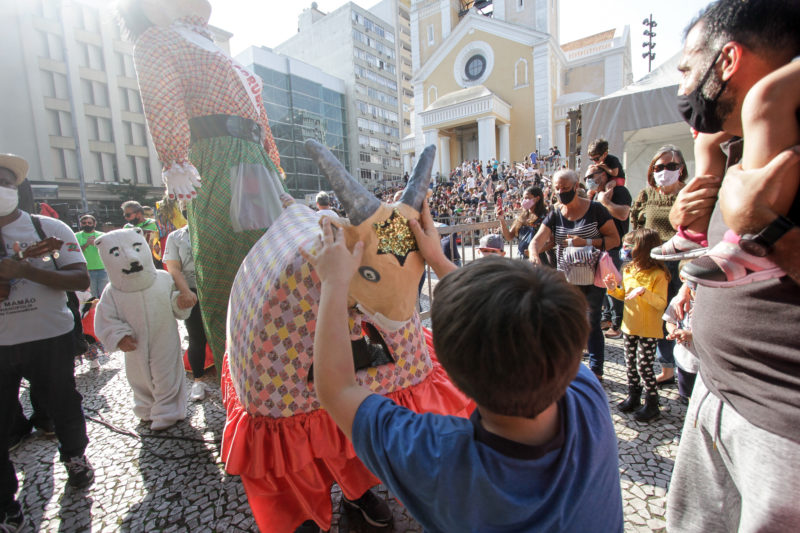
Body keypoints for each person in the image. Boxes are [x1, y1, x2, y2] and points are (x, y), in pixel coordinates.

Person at [303, 213, 624, 532]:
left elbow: (336, 389)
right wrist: (439, 259)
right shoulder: (585, 390)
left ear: (452, 376)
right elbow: (505, 324)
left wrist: (334, 282)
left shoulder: (439, 459)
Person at [665, 1, 800, 530]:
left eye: (685, 68)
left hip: (781, 423)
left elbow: (759, 238)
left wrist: (766, 226)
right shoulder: (738, 150)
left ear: (727, 61)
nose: (681, 89)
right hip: (716, 393)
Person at [117, 0, 286, 371]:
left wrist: (273, 166)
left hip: (250, 157)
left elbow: (259, 116)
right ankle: (242, 371)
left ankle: (280, 363)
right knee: (231, 266)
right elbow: (162, 99)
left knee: (273, 264)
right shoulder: (159, 39)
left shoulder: (207, 44)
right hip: (219, 155)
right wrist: (175, 158)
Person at [0, 154, 94, 533]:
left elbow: (79, 279)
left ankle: (74, 456)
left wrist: (27, 269)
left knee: (64, 404)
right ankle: (7, 504)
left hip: (48, 338)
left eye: (5, 181)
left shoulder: (46, 228)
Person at [529, 169, 620, 379]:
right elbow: (537, 240)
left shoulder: (596, 209)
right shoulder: (555, 213)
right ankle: (572, 367)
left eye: (566, 188)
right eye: (557, 188)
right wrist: (534, 254)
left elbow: (614, 240)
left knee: (591, 321)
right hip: (567, 277)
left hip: (593, 275)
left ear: (577, 185)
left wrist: (585, 241)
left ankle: (596, 370)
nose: (561, 192)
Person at [630, 146, 692, 385]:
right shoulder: (646, 196)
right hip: (654, 265)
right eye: (659, 167)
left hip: (683, 264)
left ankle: (687, 369)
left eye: (671, 166)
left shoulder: (689, 194)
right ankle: (667, 367)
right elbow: (637, 229)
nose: (664, 171)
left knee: (682, 314)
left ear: (681, 168)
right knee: (659, 315)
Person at [603, 229, 669, 421]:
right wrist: (613, 289)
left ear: (644, 248)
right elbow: (624, 295)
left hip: (648, 329)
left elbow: (660, 303)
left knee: (644, 366)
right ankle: (634, 395)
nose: (626, 249)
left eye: (631, 245)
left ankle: (652, 402)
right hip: (629, 326)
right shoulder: (629, 269)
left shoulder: (658, 274)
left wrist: (644, 292)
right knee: (630, 365)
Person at [584, 165, 632, 339]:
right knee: (600, 285)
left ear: (603, 175)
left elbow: (623, 214)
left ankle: (616, 324)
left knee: (612, 285)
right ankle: (605, 319)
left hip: (613, 247)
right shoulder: (597, 194)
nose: (588, 181)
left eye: (590, 176)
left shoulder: (619, 192)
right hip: (598, 247)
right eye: (585, 178)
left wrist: (605, 202)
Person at [163, 224, 208, 401]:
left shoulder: (220, 228)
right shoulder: (176, 236)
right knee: (196, 336)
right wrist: (185, 291)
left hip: (219, 290)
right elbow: (173, 268)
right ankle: (198, 380)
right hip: (192, 291)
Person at [497, 186, 548, 262]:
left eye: (528, 198)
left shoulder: (545, 217)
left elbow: (552, 242)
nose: (524, 201)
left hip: (538, 260)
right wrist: (502, 220)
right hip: (522, 259)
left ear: (537, 198)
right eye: (524, 198)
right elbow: (509, 237)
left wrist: (534, 252)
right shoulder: (522, 217)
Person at [121, 200, 162, 268]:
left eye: (128, 215)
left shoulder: (156, 224)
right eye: (124, 215)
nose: (125, 217)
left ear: (138, 214)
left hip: (155, 263)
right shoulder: (127, 227)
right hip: (134, 263)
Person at [75, 214, 107, 299]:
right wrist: (86, 244)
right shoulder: (76, 236)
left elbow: (108, 250)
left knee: (104, 295)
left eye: (89, 223)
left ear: (94, 224)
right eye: (84, 223)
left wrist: (97, 245)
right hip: (86, 270)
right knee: (91, 297)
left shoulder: (103, 235)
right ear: (81, 224)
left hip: (103, 269)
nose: (87, 225)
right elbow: (74, 252)